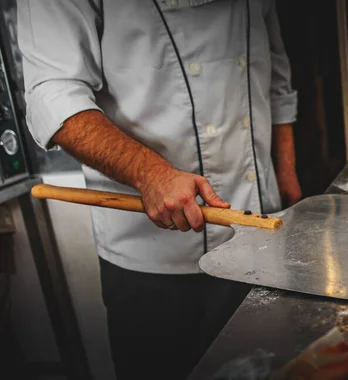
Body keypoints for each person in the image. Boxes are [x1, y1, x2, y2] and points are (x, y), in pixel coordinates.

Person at [17, 0, 301, 379]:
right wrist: (149, 172)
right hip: (152, 257)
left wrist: (286, 170)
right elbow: (53, 94)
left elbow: (275, 71)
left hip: (256, 224)